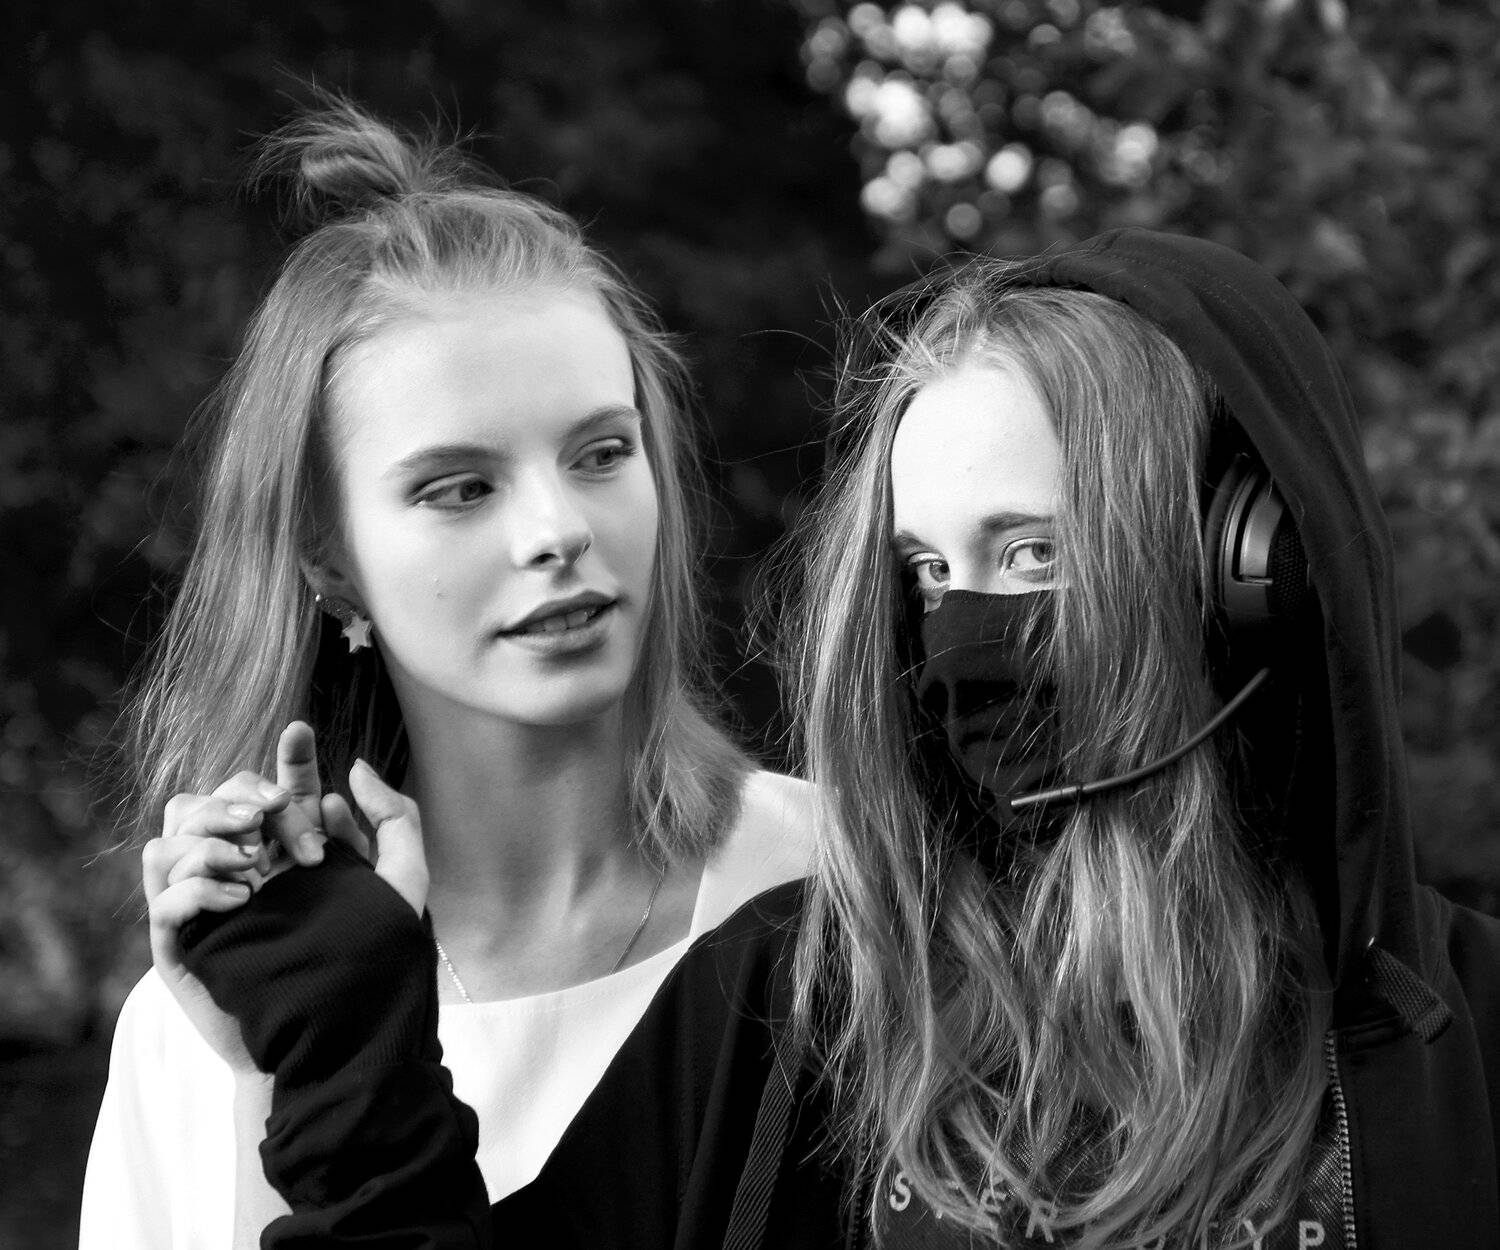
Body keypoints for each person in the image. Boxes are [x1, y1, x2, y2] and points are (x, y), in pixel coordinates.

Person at [157, 227, 1500, 1248]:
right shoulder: (796, 996)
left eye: (1034, 553)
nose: (967, 629)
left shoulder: (1473, 1039)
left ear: (1247, 575)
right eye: (928, 572)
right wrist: (347, 1046)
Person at [79, 100, 815, 1250]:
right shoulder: (201, 1030)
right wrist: (281, 1064)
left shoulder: (862, 886)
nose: (559, 529)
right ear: (327, 557)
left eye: (601, 451)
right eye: (459, 487)